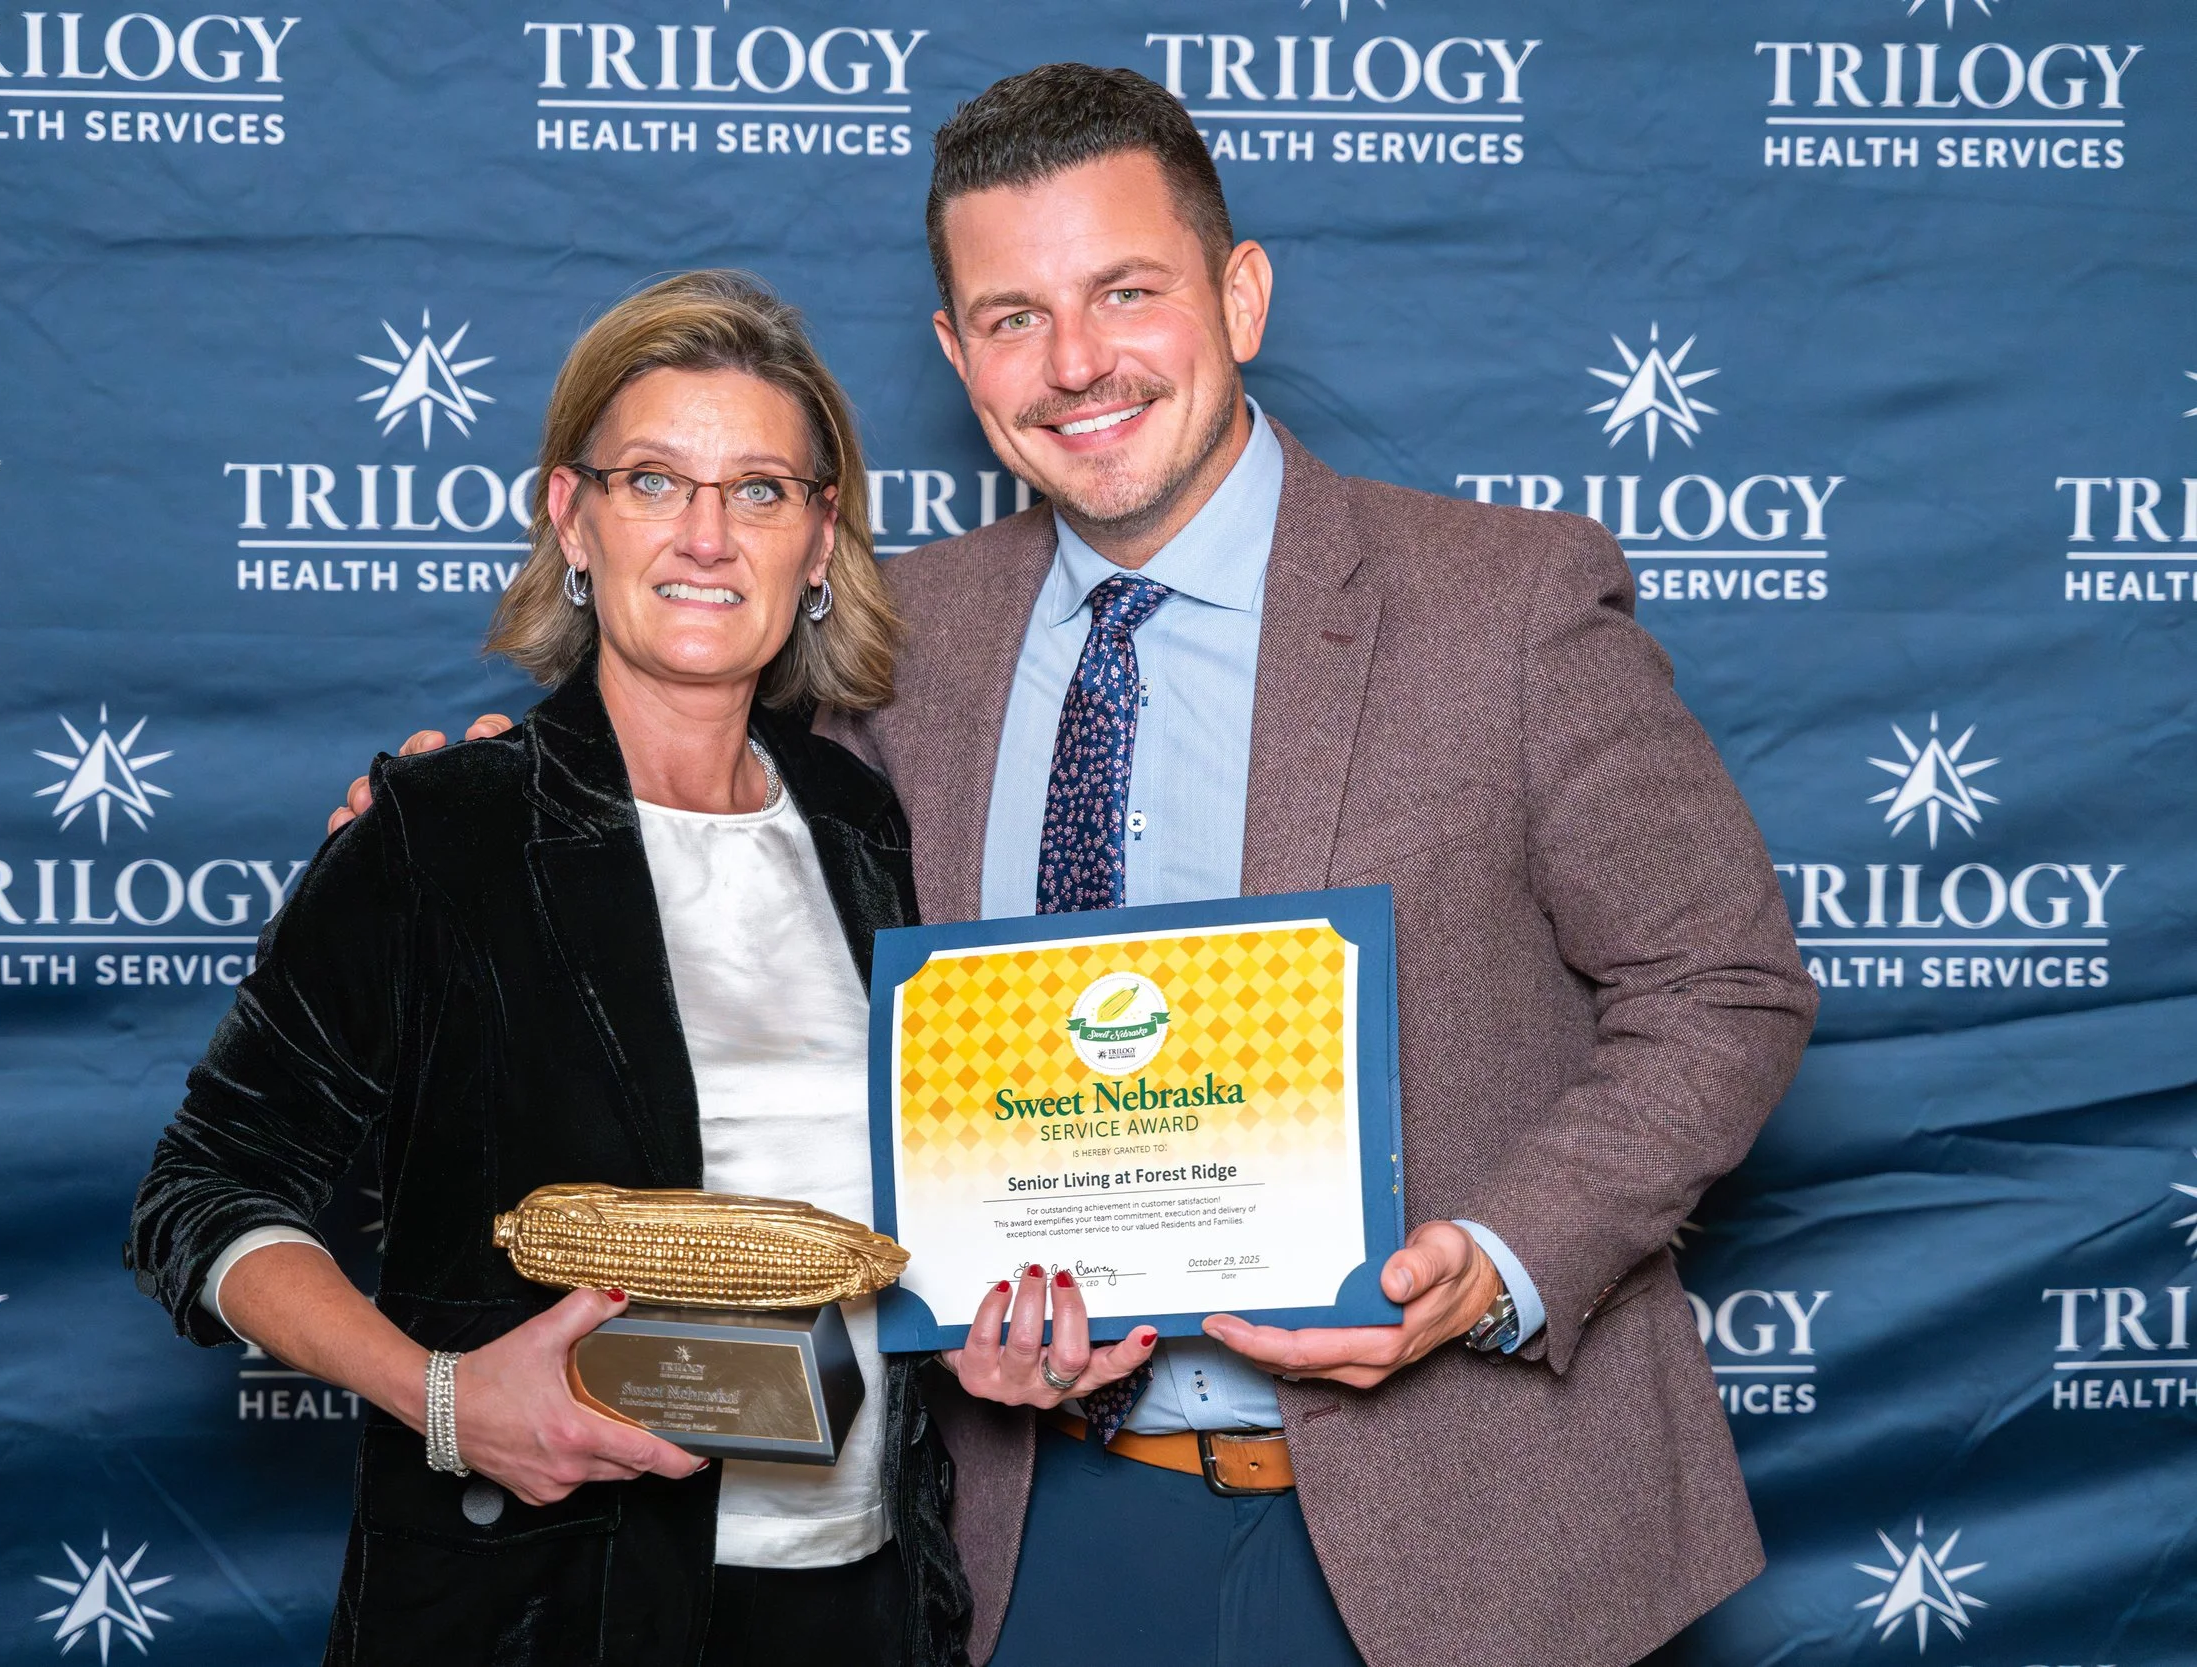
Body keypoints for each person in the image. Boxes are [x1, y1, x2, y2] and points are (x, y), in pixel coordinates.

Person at [343, 66, 1819, 1667]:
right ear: (955, 356)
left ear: (1239, 294)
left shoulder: (1504, 601)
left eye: (1126, 292)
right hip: (1042, 1524)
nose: (1077, 365)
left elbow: (1721, 986)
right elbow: (678, 767)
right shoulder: (906, 643)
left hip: (1461, 1524)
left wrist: (1492, 1265)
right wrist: (460, 811)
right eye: (1012, 316)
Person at [127, 270, 973, 1666]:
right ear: (570, 516)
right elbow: (198, 1197)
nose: (707, 534)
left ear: (820, 542)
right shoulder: (439, 831)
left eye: (760, 490)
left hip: (856, 1594)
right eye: (655, 479)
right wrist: (447, 1395)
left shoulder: (859, 821)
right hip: (538, 1606)